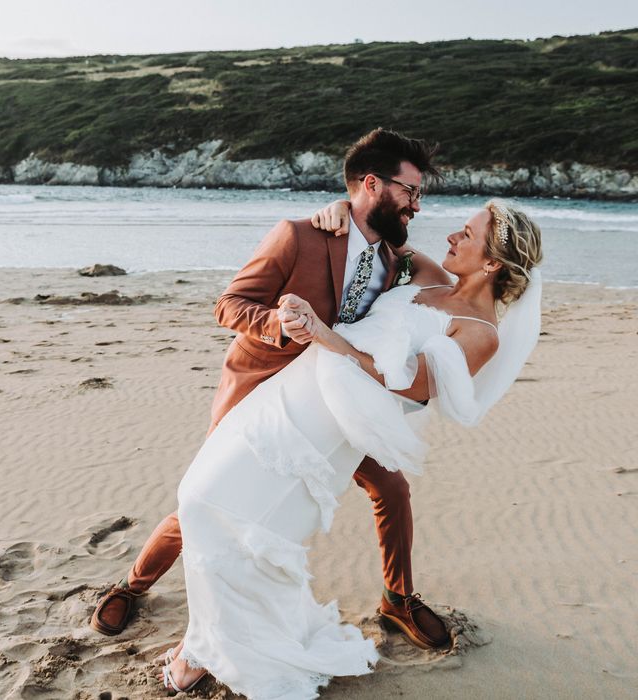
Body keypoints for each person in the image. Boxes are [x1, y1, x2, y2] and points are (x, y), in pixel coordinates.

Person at [91, 129, 452, 653]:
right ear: (372, 183)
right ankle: (133, 584)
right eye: (409, 192)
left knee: (391, 490)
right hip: (264, 392)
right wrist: (280, 323)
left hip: (338, 404)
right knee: (212, 496)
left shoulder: (394, 256)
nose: (417, 205)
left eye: (419, 195)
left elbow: (441, 288)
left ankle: (398, 600)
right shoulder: (297, 236)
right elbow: (229, 305)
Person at [165, 199, 543, 698]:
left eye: (467, 235)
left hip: (333, 427)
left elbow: (415, 385)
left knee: (261, 531)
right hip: (292, 389)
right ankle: (209, 640)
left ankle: (207, 649)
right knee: (200, 498)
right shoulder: (429, 273)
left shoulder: (481, 333)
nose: (451, 237)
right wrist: (341, 207)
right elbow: (377, 234)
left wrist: (328, 338)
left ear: (492, 263)